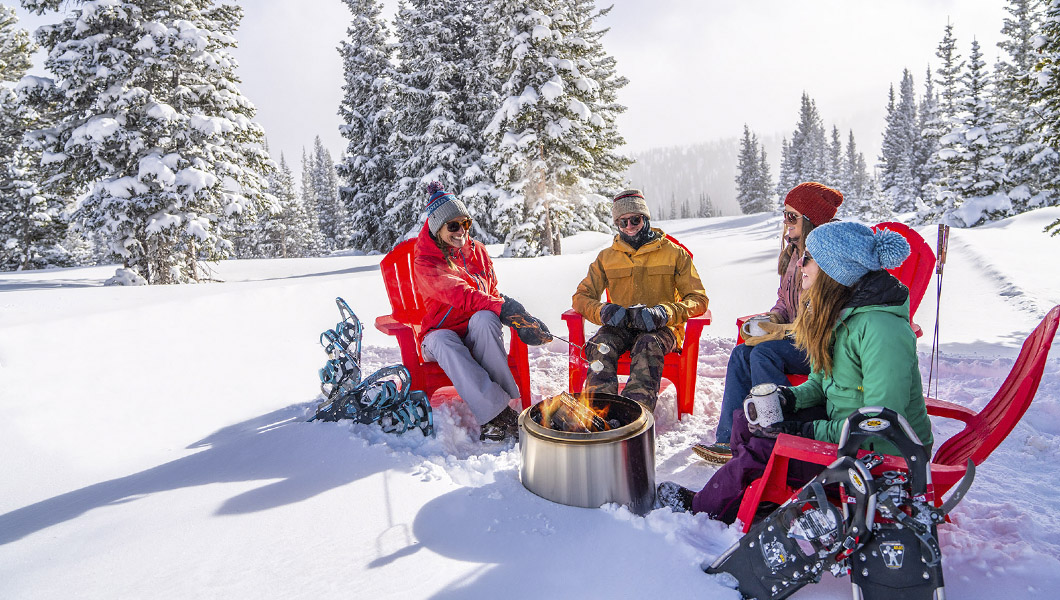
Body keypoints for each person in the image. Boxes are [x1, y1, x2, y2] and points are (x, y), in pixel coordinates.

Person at [656, 221, 933, 522]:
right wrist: (789, 398)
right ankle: (751, 493)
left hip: (878, 458)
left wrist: (804, 431)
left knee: (765, 444)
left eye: (810, 258)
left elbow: (878, 423)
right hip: (845, 430)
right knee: (748, 423)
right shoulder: (841, 315)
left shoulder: (880, 330)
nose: (801, 263)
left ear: (835, 271)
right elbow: (820, 379)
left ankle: (705, 508)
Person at [694, 182, 843, 464]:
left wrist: (778, 332)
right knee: (741, 354)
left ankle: (780, 432)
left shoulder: (826, 259)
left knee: (765, 352)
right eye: (784, 215)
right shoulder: (795, 255)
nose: (785, 223)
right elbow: (785, 302)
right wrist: (772, 319)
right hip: (797, 338)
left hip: (824, 346)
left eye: (792, 216)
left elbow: (826, 320)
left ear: (810, 221)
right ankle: (729, 440)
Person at [413, 181, 552, 442]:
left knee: (486, 318)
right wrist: (505, 309)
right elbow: (461, 294)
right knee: (446, 340)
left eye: (465, 223)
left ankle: (505, 407)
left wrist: (519, 316)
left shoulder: (478, 251)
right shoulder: (425, 260)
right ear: (437, 227)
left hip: (473, 328)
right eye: (453, 226)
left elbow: (491, 292)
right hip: (438, 335)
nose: (461, 231)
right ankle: (496, 416)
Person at [572, 189, 708, 412]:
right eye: (622, 222)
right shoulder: (607, 257)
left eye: (635, 219)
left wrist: (665, 313)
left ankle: (633, 414)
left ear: (645, 218)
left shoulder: (674, 253)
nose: (629, 227)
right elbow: (581, 297)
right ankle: (598, 412)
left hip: (662, 329)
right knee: (601, 345)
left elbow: (698, 299)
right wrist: (603, 311)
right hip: (620, 326)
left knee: (647, 344)